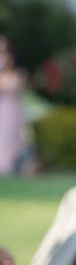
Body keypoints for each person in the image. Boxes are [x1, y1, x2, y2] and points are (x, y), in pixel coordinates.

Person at [0, 35, 25, 175]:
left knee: (8, 136)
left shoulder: (12, 63)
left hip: (9, 106)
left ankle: (6, 166)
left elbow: (16, 84)